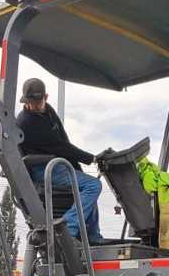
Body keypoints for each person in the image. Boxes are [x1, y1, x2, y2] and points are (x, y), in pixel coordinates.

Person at [16, 77, 105, 243]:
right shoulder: (27, 122)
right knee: (93, 185)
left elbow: (63, 141)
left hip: (55, 164)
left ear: (46, 97)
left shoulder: (47, 111)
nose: (32, 105)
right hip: (43, 168)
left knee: (86, 185)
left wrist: (78, 168)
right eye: (29, 102)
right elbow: (59, 146)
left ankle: (93, 237)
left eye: (36, 101)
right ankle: (68, 230)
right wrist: (91, 158)